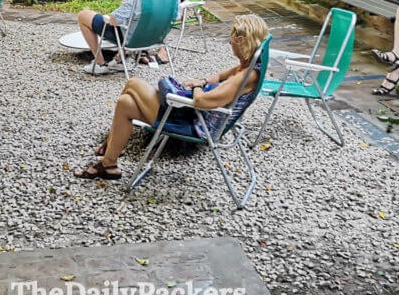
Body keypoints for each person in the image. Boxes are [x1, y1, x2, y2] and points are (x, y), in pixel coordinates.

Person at [74, 13, 269, 179]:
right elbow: (218, 76)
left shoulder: (245, 77)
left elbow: (201, 101)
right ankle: (110, 164)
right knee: (125, 103)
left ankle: (111, 146)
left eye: (233, 39)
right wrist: (201, 81)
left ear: (243, 43)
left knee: (132, 83)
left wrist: (195, 89)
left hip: (195, 126)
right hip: (193, 115)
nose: (229, 42)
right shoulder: (248, 65)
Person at [76, 0, 168, 75]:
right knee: (135, 23)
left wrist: (126, 5)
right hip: (153, 39)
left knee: (84, 15)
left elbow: (114, 21)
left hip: (131, 40)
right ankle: (118, 61)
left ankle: (100, 64)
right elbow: (176, 17)